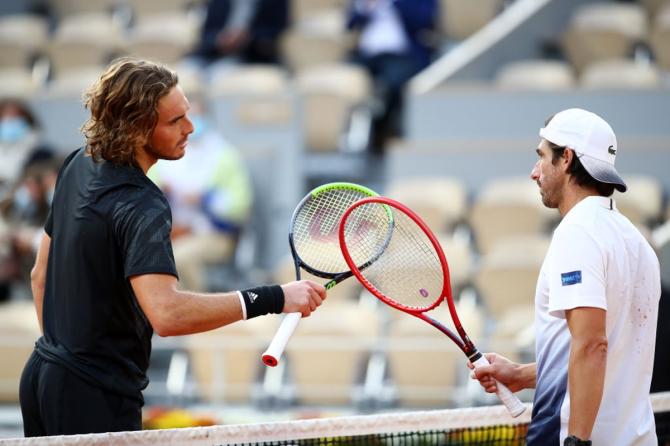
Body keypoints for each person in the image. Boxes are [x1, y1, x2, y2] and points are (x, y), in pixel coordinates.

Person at [18, 57, 327, 437]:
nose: (191, 128)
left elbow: (39, 275)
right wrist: (274, 297)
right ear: (136, 129)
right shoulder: (143, 203)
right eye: (175, 121)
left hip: (41, 375)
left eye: (187, 115)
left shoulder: (78, 163)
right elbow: (167, 314)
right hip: (92, 395)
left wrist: (62, 356)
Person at [469, 108, 660, 445]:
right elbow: (603, 353)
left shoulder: (578, 234)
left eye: (542, 157)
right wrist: (521, 375)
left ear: (566, 158)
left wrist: (577, 440)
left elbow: (592, 346)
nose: (534, 172)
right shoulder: (635, 240)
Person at [148, 93, 253, 292]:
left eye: (195, 115)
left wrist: (205, 199)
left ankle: (197, 311)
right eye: (183, 116)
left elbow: (240, 205)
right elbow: (147, 193)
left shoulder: (224, 156)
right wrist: (163, 193)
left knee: (179, 257)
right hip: (173, 232)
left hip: (213, 235)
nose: (189, 123)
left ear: (207, 118)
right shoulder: (164, 155)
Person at [346, 0, 438, 152]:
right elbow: (350, 23)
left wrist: (391, 3)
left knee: (392, 83)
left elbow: (424, 19)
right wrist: (367, 6)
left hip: (401, 55)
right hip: (366, 55)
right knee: (344, 79)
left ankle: (382, 132)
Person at [192, 0, 289, 68]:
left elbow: (277, 32)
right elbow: (206, 32)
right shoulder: (218, 2)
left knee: (220, 74)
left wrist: (248, 38)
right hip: (212, 53)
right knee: (185, 72)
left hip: (250, 57)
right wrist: (219, 39)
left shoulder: (274, 2)